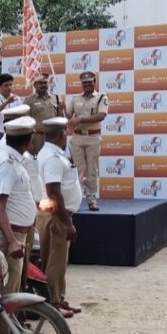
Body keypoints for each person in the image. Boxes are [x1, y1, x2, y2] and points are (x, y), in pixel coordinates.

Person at [0, 116, 38, 297]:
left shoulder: (14, 158)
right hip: (6, 235)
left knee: (11, 289)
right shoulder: (6, 163)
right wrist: (12, 241)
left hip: (14, 233)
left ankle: (7, 326)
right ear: (26, 142)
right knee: (4, 294)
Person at [37, 117, 83, 316]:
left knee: (57, 261)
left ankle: (59, 299)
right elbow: (54, 192)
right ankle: (53, 305)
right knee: (55, 262)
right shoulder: (53, 158)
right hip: (57, 216)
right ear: (61, 134)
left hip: (54, 214)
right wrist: (67, 223)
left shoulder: (51, 152)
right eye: (65, 131)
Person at [66, 71, 108, 211]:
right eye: (84, 83)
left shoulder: (101, 97)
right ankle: (75, 201)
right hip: (77, 137)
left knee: (92, 170)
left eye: (90, 82)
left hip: (93, 137)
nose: (87, 85)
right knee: (76, 170)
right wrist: (61, 109)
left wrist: (81, 119)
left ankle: (91, 200)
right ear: (81, 84)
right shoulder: (75, 98)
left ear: (94, 82)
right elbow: (67, 115)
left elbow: (101, 115)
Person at [0, 73, 23, 146]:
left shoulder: (17, 98)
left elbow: (21, 115)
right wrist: (6, 102)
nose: (9, 87)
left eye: (10, 85)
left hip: (13, 133)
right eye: (6, 85)